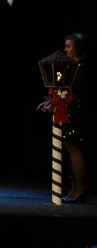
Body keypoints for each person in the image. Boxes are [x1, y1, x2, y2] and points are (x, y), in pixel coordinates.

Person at [37, 32, 90, 203]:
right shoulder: (73, 66)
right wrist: (52, 101)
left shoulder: (82, 67)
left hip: (79, 113)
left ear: (78, 48)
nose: (65, 50)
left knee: (74, 148)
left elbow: (74, 93)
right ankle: (74, 188)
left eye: (68, 46)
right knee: (69, 148)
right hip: (70, 111)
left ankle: (80, 189)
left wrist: (58, 102)